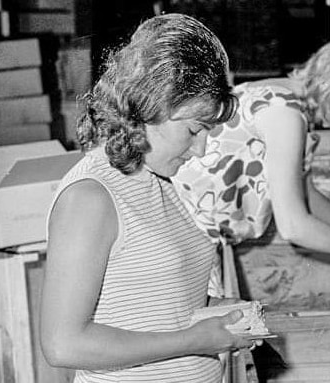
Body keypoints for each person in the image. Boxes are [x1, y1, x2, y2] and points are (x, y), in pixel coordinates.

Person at [40, 13, 255, 383]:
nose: (201, 148)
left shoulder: (157, 181)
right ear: (151, 104)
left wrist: (218, 315)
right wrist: (192, 340)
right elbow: (63, 344)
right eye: (193, 130)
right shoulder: (92, 196)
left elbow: (153, 306)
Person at [172, 42, 330, 297]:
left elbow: (303, 194)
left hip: (191, 232)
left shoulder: (277, 94)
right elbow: (293, 226)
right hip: (190, 241)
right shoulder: (284, 114)